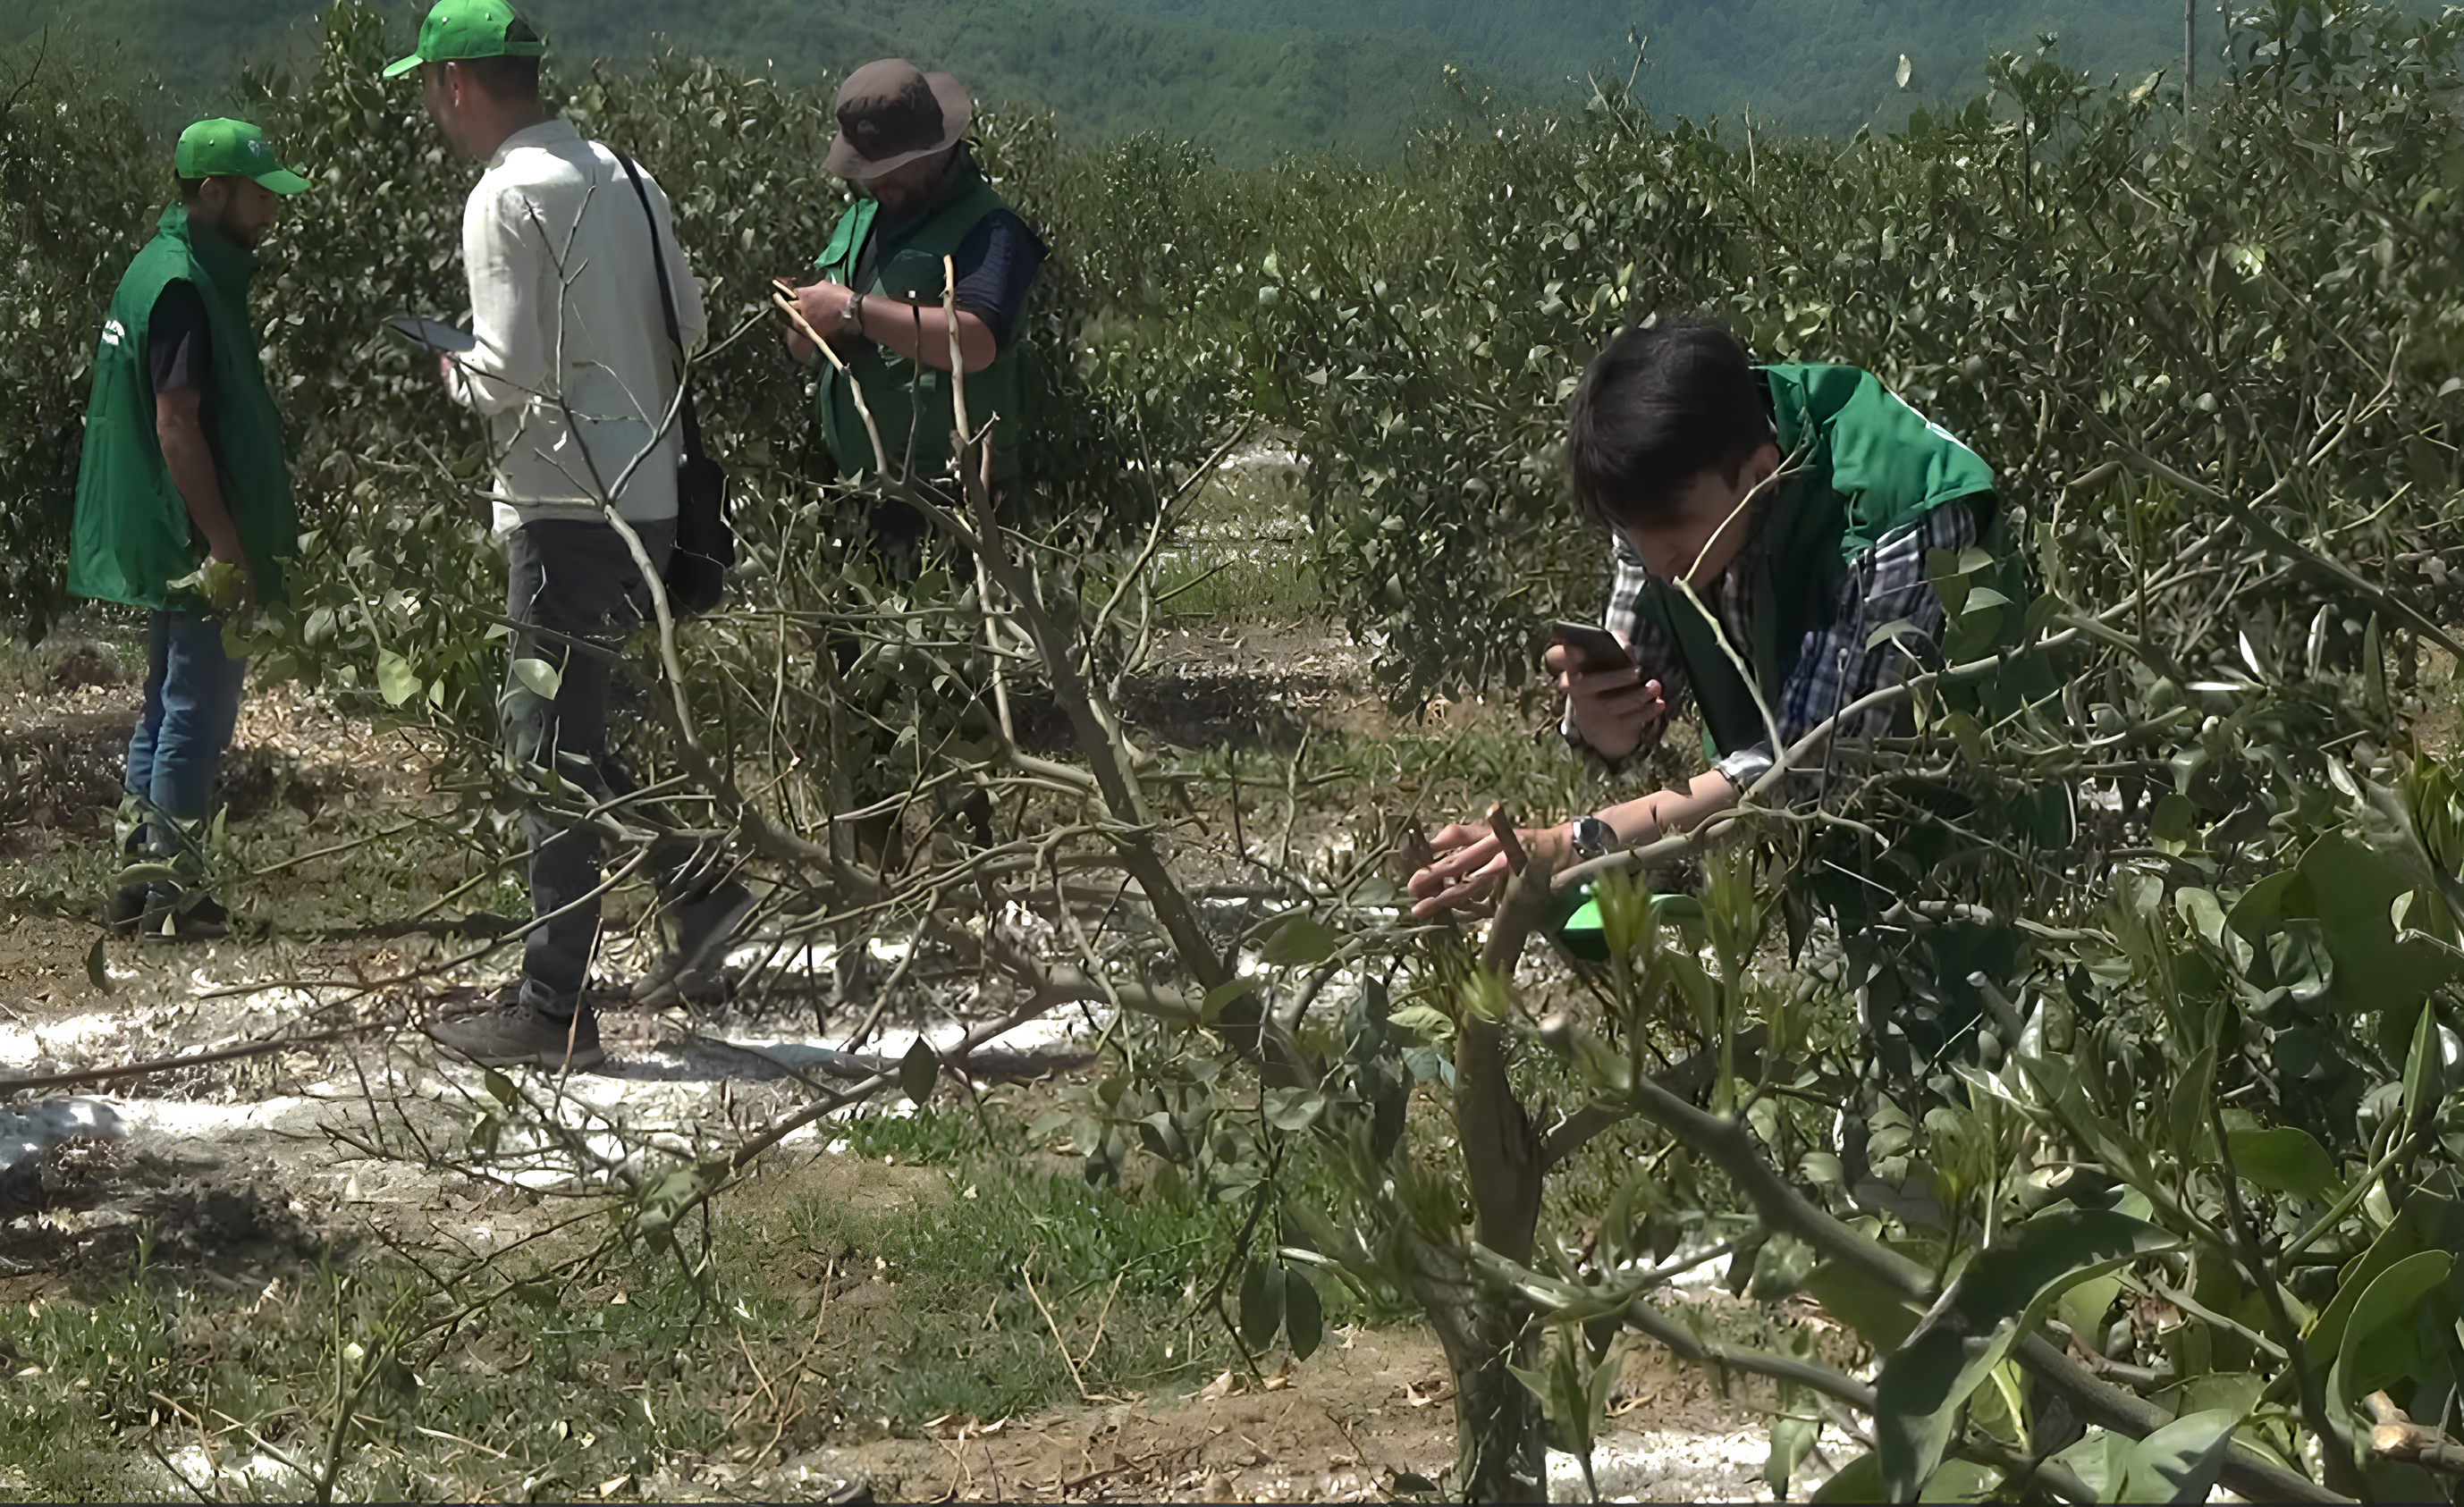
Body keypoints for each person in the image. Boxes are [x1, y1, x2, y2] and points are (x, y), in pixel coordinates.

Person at [389, 0, 752, 1069]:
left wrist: (453, 367)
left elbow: (507, 374)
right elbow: (687, 325)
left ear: (457, 84)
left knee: (542, 748)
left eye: (430, 88)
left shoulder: (503, 196)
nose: (432, 107)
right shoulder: (629, 178)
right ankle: (702, 891)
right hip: (644, 503)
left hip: (561, 511)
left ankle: (553, 1004)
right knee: (574, 735)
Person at [1407, 317, 2001, 918]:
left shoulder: (1896, 511)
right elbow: (1640, 684)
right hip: (1846, 852)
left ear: (1763, 473)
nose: (1658, 564)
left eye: (1674, 538)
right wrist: (1606, 721)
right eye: (1635, 536)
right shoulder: (1666, 484)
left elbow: (1806, 766)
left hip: (1986, 842)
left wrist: (1576, 842)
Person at [70, 118, 310, 941]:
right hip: (189, 532)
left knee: (163, 709)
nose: (270, 213)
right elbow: (178, 424)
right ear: (212, 195)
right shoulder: (184, 285)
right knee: (197, 717)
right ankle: (174, 896)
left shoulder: (156, 267)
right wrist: (224, 541)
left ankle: (139, 889)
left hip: (164, 528)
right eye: (257, 196)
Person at [784, 57, 1047, 538]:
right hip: (856, 500)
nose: (879, 182)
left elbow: (976, 340)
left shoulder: (990, 227)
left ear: (936, 148)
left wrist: (852, 310)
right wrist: (806, 324)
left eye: (891, 167)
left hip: (953, 504)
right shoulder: (862, 220)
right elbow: (804, 336)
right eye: (869, 170)